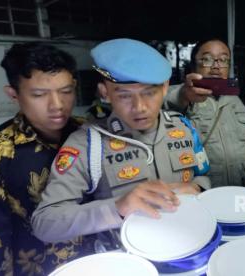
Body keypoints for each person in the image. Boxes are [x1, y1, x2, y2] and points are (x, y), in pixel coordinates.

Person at [31, 38, 209, 246]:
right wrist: (117, 207)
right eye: (124, 95)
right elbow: (44, 223)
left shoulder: (183, 128)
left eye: (149, 92)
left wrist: (198, 188)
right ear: (105, 93)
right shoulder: (88, 143)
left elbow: (203, 176)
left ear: (164, 88)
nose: (140, 107)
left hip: (188, 245)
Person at [0, 42, 92, 275]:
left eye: (66, 91)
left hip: (101, 261)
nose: (57, 105)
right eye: (39, 94)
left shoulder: (90, 134)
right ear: (13, 94)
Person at [164, 38, 245, 188]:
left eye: (223, 59)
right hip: (202, 192)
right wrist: (183, 94)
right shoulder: (184, 95)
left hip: (240, 190)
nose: (216, 66)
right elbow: (166, 101)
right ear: (193, 65)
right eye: (207, 59)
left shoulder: (237, 103)